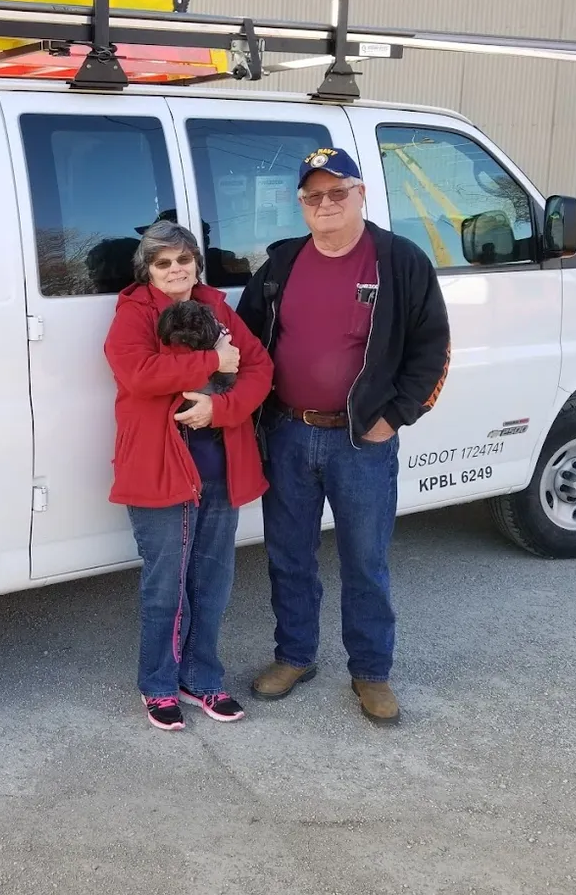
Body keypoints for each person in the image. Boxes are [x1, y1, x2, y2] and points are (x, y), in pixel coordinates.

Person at [235, 148, 450, 726]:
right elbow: (247, 340)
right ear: (301, 205)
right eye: (313, 196)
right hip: (287, 433)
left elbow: (433, 350)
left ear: (360, 195)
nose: (325, 204)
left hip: (362, 441)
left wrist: (395, 417)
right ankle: (295, 656)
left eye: (337, 193)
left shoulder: (399, 261)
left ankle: (372, 672)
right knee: (288, 556)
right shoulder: (281, 264)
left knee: (365, 560)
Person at [104, 220, 274, 731]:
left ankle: (201, 678)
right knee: (165, 585)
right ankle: (158, 685)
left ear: (196, 262)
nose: (175, 269)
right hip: (161, 464)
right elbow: (138, 374)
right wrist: (213, 359)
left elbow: (259, 368)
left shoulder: (219, 308)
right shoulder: (132, 315)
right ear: (147, 270)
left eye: (183, 260)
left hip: (220, 460)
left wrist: (218, 410)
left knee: (213, 579)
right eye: (163, 262)